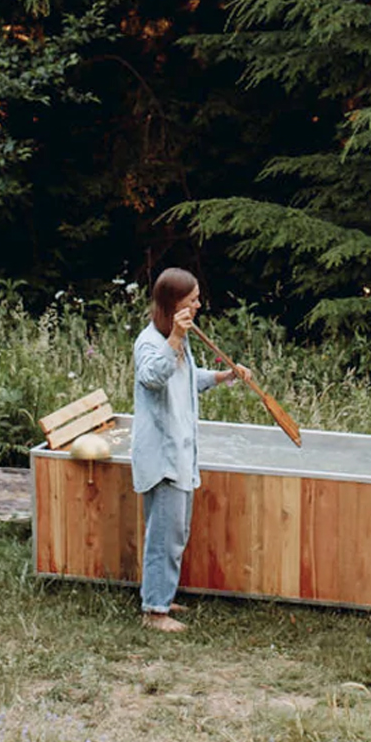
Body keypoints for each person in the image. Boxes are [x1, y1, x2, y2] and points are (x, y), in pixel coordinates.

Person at [131, 268, 250, 633]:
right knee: (164, 536)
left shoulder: (177, 341)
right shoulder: (151, 342)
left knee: (175, 533)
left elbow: (184, 379)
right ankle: (154, 611)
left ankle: (161, 595)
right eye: (192, 300)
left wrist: (223, 376)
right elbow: (152, 377)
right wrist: (176, 339)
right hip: (162, 456)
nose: (198, 305)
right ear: (173, 304)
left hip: (180, 453)